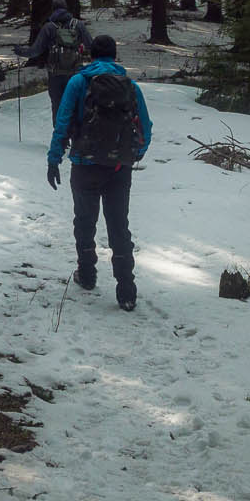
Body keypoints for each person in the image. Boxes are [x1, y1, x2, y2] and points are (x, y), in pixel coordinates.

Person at [47, 35, 153, 311]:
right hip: (119, 169)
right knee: (119, 225)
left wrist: (54, 158)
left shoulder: (78, 82)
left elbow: (63, 122)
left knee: (85, 221)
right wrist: (133, 155)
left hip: (84, 165)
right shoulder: (130, 86)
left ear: (90, 55)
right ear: (115, 55)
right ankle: (126, 290)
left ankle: (88, 274)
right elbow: (146, 128)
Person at [13, 0, 92, 118]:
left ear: (53, 9)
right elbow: (91, 45)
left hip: (55, 75)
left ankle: (60, 135)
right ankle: (76, 133)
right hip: (75, 73)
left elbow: (35, 51)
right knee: (76, 104)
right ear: (66, 8)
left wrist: (20, 51)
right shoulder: (78, 25)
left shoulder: (49, 27)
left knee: (57, 106)